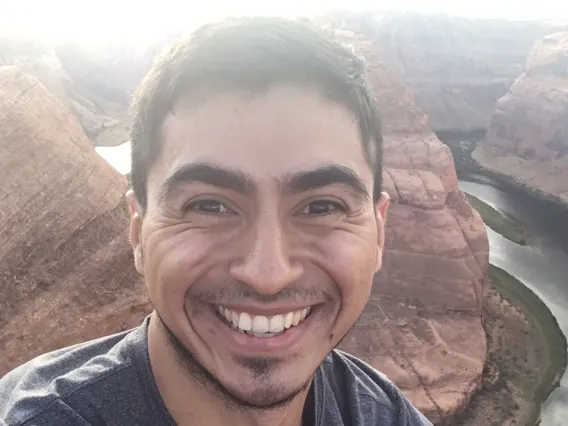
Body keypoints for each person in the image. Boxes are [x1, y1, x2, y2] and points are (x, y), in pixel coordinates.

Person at [0, 17, 433, 426]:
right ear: (137, 232)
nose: (268, 275)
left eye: (322, 207)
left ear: (378, 231)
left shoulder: (381, 412)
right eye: (209, 206)